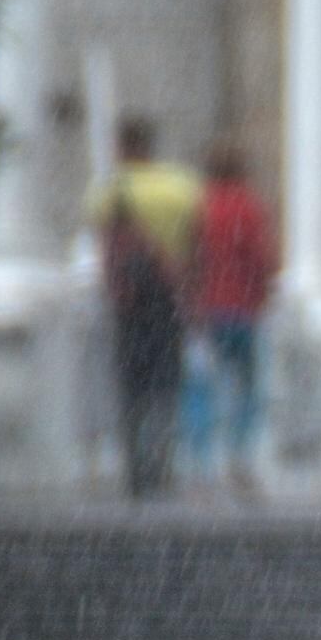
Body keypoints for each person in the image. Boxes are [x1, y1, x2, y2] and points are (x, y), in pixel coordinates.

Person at [89, 115, 201, 500]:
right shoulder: (180, 188)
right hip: (168, 298)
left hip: (129, 302)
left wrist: (113, 288)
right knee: (166, 385)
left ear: (123, 148)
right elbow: (196, 244)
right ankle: (163, 462)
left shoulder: (111, 191)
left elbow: (106, 248)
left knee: (132, 387)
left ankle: (137, 468)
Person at [185, 138, 280, 498]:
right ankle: (239, 458)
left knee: (204, 387)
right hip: (244, 309)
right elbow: (262, 258)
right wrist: (264, 292)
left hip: (210, 309)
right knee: (247, 389)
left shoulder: (203, 206)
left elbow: (193, 257)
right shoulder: (250, 208)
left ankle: (200, 464)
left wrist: (193, 299)